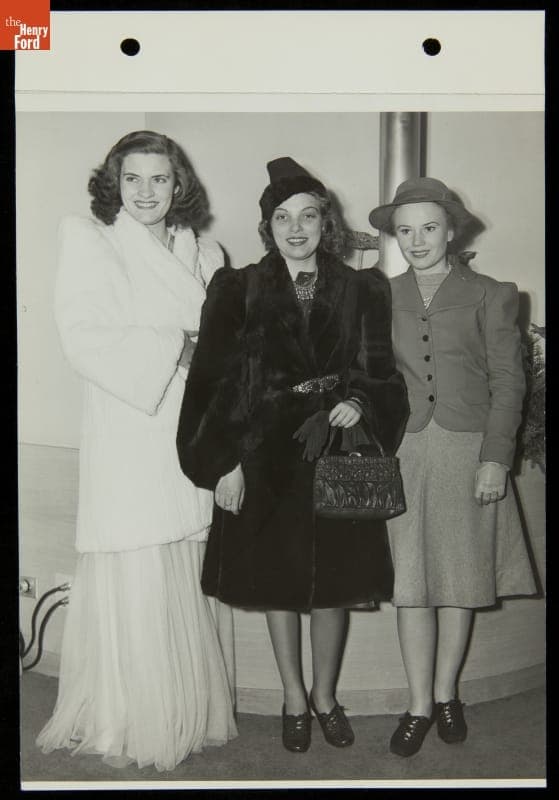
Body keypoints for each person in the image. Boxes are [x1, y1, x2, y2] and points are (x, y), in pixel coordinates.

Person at [177, 157, 409, 753]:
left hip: (337, 448)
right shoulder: (240, 287)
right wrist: (221, 463)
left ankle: (326, 698)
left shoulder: (363, 288)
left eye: (308, 216)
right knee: (277, 585)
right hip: (263, 458)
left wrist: (360, 399)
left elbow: (381, 372)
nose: (296, 228)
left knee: (336, 585)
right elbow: (210, 381)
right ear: (268, 227)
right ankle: (292, 698)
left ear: (325, 223)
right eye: (283, 218)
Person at [36, 131, 237, 771]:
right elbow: (84, 336)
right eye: (133, 180)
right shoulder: (90, 239)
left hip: (190, 425)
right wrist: (175, 348)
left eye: (159, 179)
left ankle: (185, 710)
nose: (146, 192)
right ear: (114, 184)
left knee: (182, 561)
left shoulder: (205, 249)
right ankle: (129, 719)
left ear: (179, 184)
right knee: (138, 562)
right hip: (130, 423)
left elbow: (230, 341)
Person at [368, 177, 537, 757]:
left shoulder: (493, 292)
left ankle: (447, 696)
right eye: (406, 230)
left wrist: (496, 459)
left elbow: (509, 382)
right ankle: (418, 704)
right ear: (395, 234)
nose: (417, 240)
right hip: (404, 451)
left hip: (468, 451)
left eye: (429, 228)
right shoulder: (378, 295)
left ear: (451, 230)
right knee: (411, 584)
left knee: (460, 582)